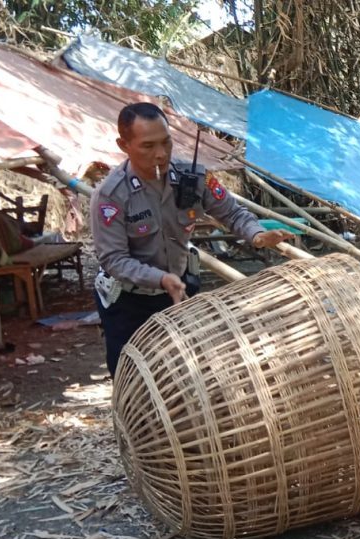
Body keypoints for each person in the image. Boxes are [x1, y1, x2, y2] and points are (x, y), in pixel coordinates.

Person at [92, 102, 293, 375]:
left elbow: (232, 213)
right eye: (148, 146)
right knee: (134, 378)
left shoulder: (193, 177)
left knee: (187, 375)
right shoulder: (111, 195)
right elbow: (114, 260)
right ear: (124, 145)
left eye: (166, 143)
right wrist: (161, 279)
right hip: (129, 302)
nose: (161, 154)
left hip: (180, 292)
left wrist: (256, 235)